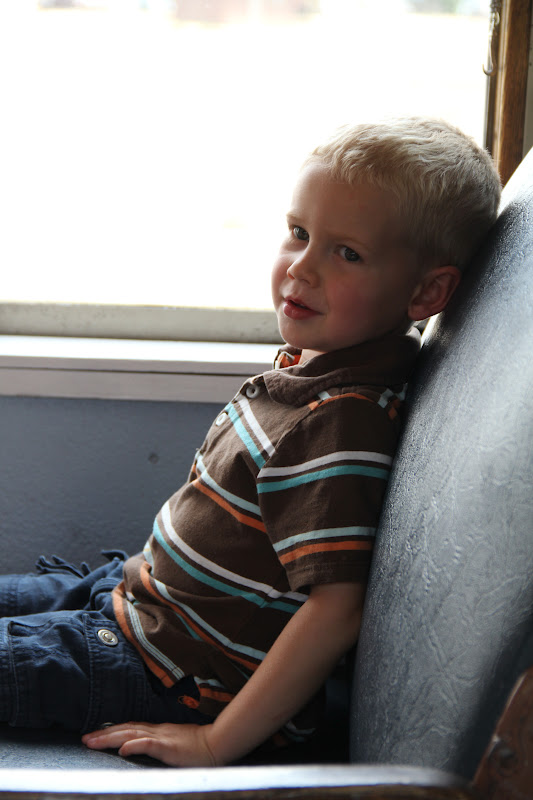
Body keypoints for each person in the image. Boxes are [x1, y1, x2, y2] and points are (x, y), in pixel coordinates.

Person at [0, 117, 501, 768]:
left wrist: (216, 741)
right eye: (299, 233)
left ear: (427, 291)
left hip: (172, 669)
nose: (301, 268)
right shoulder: (319, 368)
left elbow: (337, 609)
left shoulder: (339, 424)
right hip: (132, 599)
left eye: (346, 253)